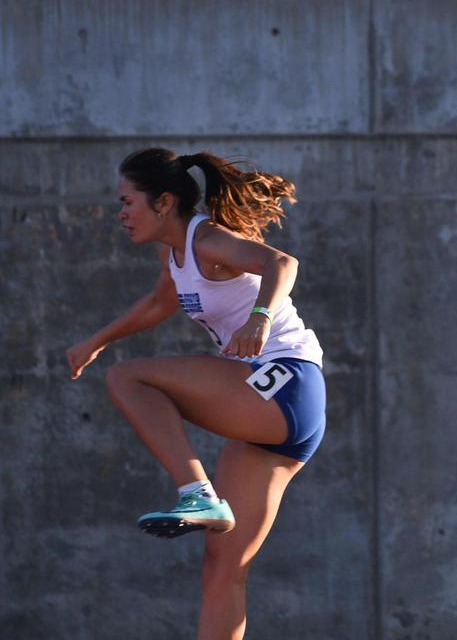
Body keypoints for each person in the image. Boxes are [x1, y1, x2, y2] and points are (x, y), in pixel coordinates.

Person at [66, 148, 326, 639]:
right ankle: (202, 499)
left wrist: (259, 318)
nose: (120, 214)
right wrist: (96, 340)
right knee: (223, 571)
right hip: (273, 413)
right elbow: (158, 303)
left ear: (163, 202)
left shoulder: (205, 238)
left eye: (127, 202)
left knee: (129, 379)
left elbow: (281, 263)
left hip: (285, 380)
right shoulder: (175, 253)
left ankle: (196, 493)